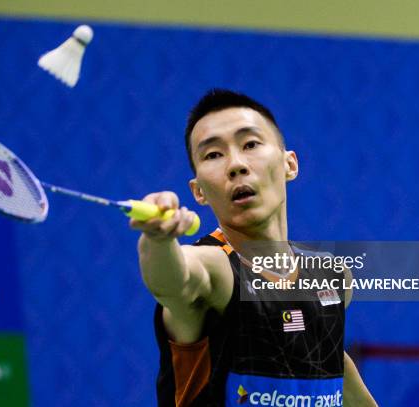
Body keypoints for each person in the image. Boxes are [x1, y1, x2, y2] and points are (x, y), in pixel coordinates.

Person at [130, 89, 377, 406]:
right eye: (213, 155)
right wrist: (157, 239)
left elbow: (331, 366)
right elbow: (173, 280)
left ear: (290, 164)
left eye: (250, 144)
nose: (235, 165)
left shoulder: (331, 276)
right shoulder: (215, 269)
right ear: (198, 191)